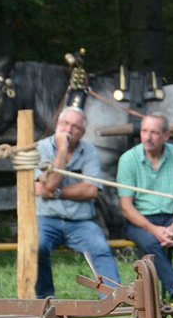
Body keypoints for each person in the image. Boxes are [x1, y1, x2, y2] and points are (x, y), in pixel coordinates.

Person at [35, 106, 121, 298]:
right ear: (57, 125)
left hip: (81, 221)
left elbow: (90, 190)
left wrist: (54, 191)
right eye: (64, 124)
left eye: (74, 127)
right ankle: (44, 298)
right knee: (38, 246)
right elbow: (47, 185)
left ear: (82, 132)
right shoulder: (41, 148)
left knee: (100, 247)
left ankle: (113, 298)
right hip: (47, 218)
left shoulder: (89, 151)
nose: (68, 130)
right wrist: (62, 150)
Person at [117, 113, 173, 309]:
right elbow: (126, 207)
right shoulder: (128, 159)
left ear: (166, 136)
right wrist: (153, 229)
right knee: (151, 244)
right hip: (141, 220)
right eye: (144, 131)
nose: (148, 137)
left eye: (154, 132)